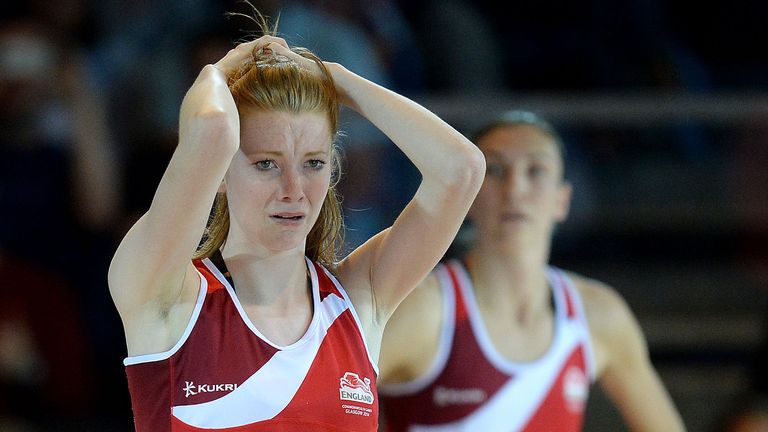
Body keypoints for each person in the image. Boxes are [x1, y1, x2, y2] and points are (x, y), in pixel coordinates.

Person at [107, 10, 485, 432]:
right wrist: (220, 70)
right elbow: (211, 128)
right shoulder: (164, 294)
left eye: (313, 163)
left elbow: (462, 168)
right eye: (267, 163)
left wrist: (338, 79)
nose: (293, 188)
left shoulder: (358, 300)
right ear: (219, 174)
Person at [377, 110, 686, 431]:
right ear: (468, 194)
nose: (515, 189)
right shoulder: (425, 310)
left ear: (562, 200)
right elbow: (329, 404)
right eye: (496, 170)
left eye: (536, 170)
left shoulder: (599, 315)